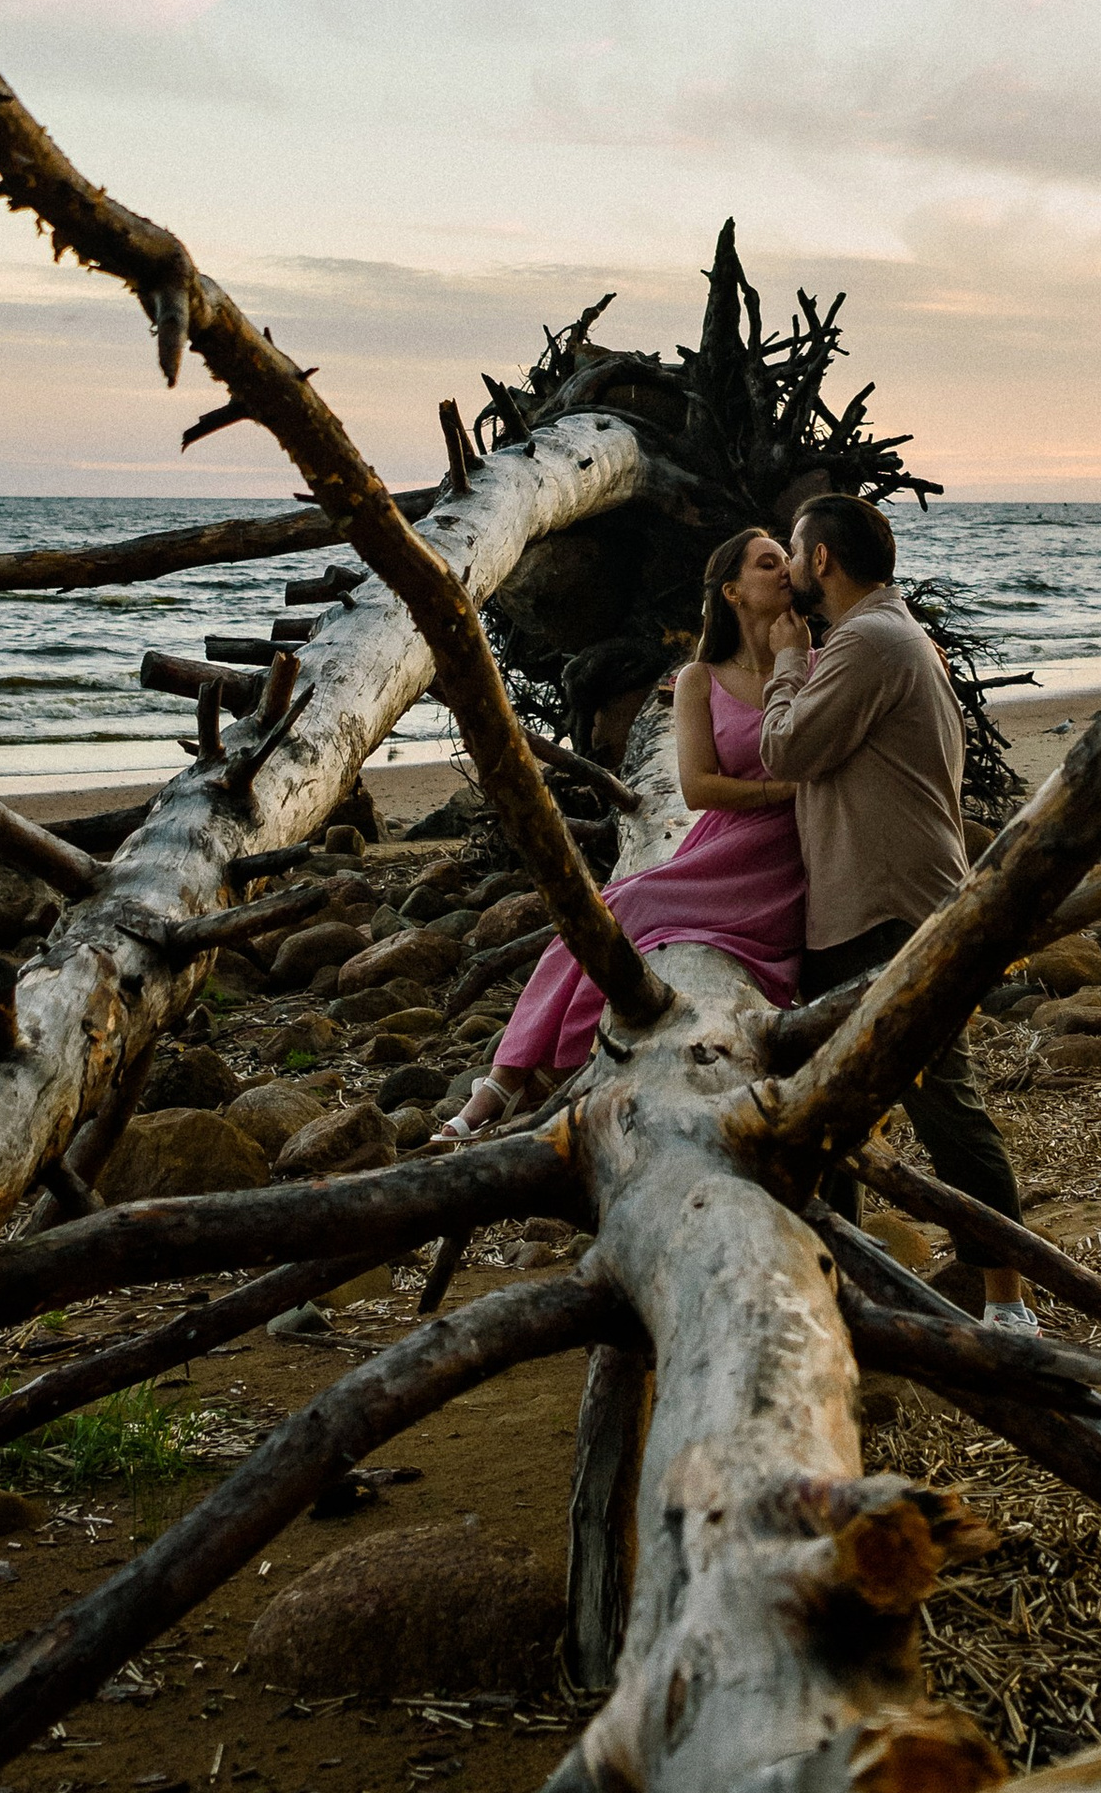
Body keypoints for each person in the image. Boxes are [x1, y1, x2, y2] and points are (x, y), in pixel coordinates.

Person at [758, 492, 1038, 1334]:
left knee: (942, 1100)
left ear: (822, 563)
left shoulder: (871, 641)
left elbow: (787, 749)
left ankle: (1009, 1302)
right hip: (869, 902)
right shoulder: (883, 634)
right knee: (833, 1105)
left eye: (796, 547)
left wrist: (781, 662)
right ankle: (835, 1289)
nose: (792, 560)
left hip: (888, 906)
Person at [441, 525, 808, 1134]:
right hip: (721, 846)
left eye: (785, 561)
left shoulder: (812, 666)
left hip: (783, 861)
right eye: (767, 563)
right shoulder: (700, 678)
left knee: (627, 902)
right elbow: (697, 788)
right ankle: (506, 1080)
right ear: (732, 592)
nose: (784, 571)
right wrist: (784, 790)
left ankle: (539, 1077)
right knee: (602, 911)